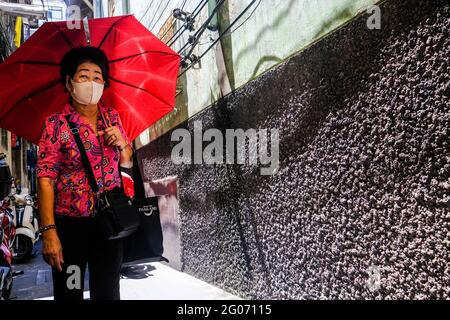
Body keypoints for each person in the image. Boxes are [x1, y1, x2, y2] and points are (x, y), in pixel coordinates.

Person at [37, 46, 133, 300]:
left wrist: (121, 143)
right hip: (71, 229)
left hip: (109, 224)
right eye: (83, 76)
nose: (91, 82)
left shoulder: (112, 118)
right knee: (71, 291)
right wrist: (49, 232)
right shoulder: (55, 124)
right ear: (69, 83)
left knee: (107, 292)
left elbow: (127, 163)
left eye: (97, 76)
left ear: (104, 83)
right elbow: (45, 179)